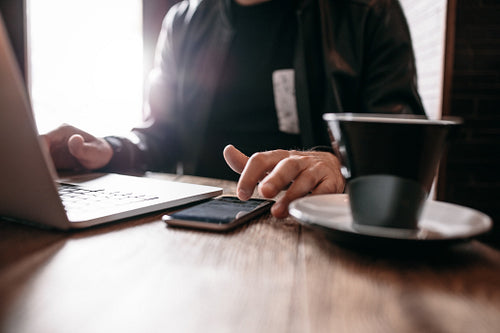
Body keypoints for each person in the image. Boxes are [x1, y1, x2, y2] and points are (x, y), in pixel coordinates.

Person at [43, 0, 425, 218]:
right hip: (203, 218)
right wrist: (108, 150)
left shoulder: (367, 10)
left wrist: (337, 165)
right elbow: (161, 133)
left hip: (316, 222)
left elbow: (403, 140)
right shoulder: (184, 22)